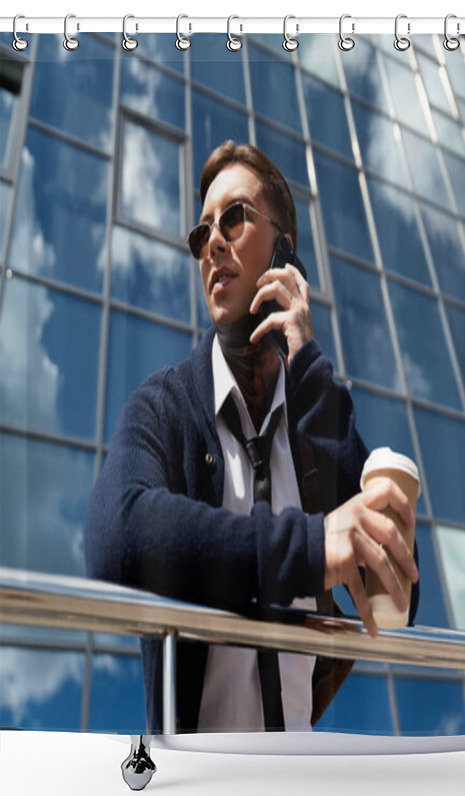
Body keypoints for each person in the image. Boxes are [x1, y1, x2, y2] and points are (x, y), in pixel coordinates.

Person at [84, 141, 419, 734]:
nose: (211, 243)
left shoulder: (316, 414)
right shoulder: (164, 406)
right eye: (200, 234)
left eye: (234, 218)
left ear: (284, 251)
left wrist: (308, 364)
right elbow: (115, 538)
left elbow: (400, 592)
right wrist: (311, 549)